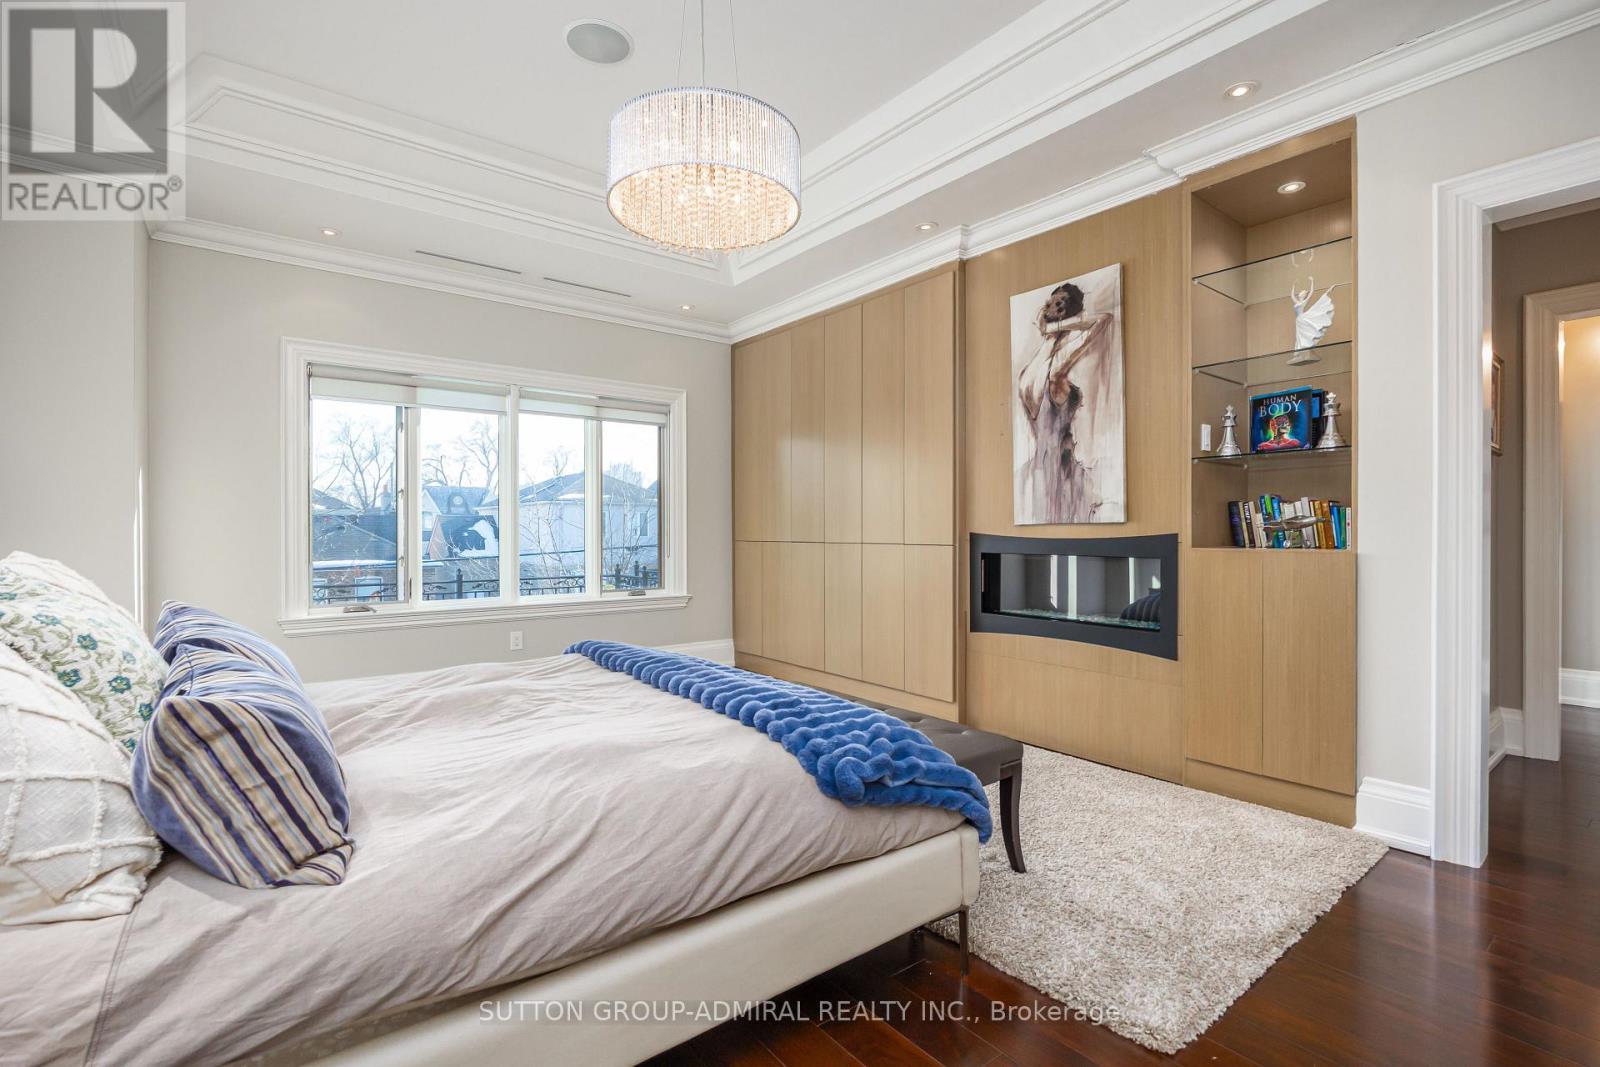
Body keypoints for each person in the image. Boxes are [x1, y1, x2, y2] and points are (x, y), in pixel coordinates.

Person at [1015, 281, 1118, 523]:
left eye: (1062, 303)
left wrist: (1055, 326)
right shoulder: (1038, 362)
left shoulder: (1059, 360)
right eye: (1052, 301)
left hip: (1062, 477)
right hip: (1040, 473)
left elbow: (1103, 319)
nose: (1054, 307)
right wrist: (1045, 325)